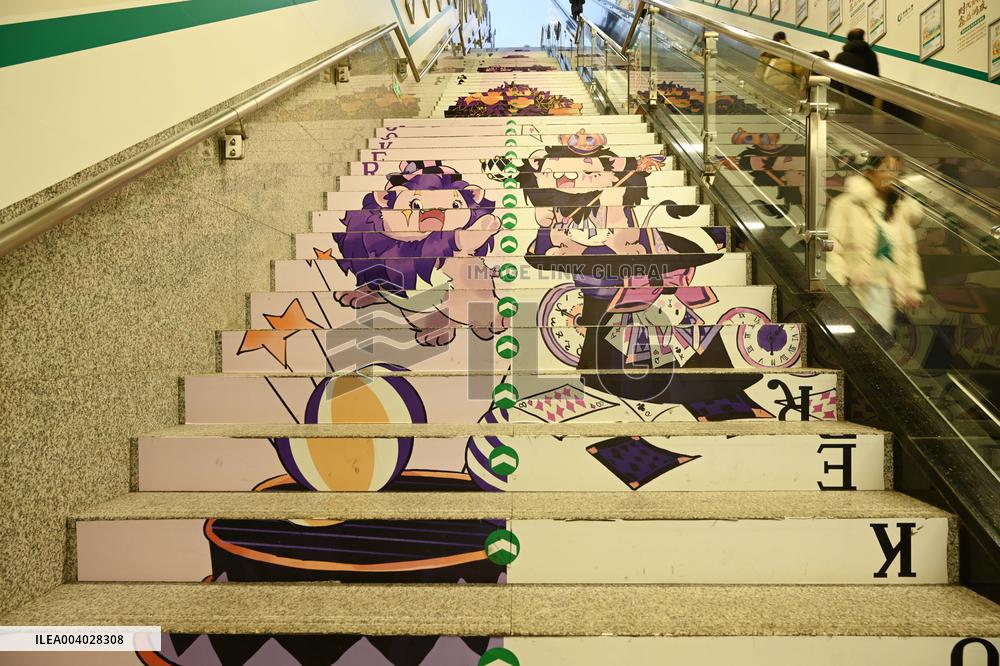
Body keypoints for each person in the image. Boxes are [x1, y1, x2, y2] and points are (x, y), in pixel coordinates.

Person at [825, 154, 924, 334]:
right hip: (855, 285)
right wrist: (839, 281)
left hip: (885, 287)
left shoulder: (900, 208)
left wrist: (911, 287)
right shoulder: (846, 204)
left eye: (896, 171)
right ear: (869, 173)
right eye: (886, 169)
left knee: (878, 340)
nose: (891, 175)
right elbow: (832, 245)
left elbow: (909, 251)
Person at [833, 29, 879, 105]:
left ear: (848, 40)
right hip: (867, 102)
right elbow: (875, 77)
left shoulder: (842, 57)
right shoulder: (872, 55)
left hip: (847, 103)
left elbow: (835, 83)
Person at [756, 32, 805, 99]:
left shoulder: (767, 54)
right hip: (787, 93)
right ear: (785, 39)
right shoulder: (792, 54)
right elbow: (800, 74)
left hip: (768, 91)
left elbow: (758, 75)